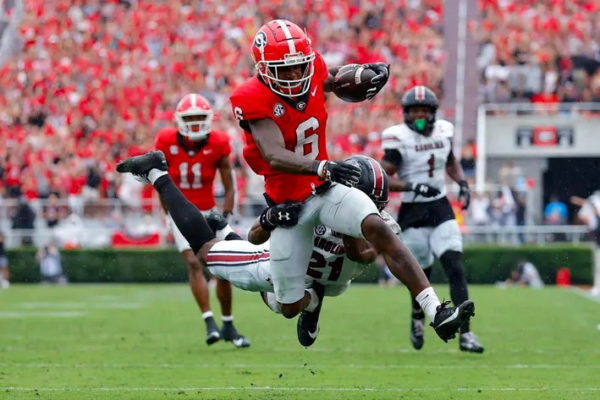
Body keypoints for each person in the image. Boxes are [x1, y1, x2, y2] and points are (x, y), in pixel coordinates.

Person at [228, 19, 473, 346]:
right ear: (263, 68)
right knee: (287, 307)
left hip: (323, 187)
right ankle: (311, 300)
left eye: (299, 67)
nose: (293, 76)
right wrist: (323, 166)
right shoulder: (250, 96)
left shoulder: (312, 66)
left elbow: (329, 79)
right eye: (283, 71)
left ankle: (436, 310)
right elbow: (274, 154)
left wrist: (362, 74)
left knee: (377, 225)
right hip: (289, 203)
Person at [117, 152, 474, 347]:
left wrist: (348, 227)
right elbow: (259, 237)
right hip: (278, 267)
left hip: (332, 278)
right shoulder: (313, 201)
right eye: (369, 202)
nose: (374, 209)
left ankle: (310, 297)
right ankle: (158, 175)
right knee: (207, 252)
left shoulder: (377, 224)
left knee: (314, 291)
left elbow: (369, 255)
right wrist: (272, 217)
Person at [380, 85, 484, 353]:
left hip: (439, 206)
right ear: (405, 113)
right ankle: (417, 317)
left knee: (455, 266)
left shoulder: (444, 131)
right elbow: (383, 176)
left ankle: (466, 334)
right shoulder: (397, 138)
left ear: (433, 113)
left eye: (424, 110)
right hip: (413, 211)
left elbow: (450, 161)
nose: (419, 115)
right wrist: (411, 186)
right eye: (414, 110)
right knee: (420, 273)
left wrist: (461, 182)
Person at [154, 93, 249, 348]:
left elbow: (230, 187)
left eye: (199, 117)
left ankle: (228, 324)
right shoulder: (165, 141)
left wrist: (225, 216)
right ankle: (210, 322)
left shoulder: (218, 143)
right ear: (179, 120)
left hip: (208, 211)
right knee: (194, 264)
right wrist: (168, 214)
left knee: (224, 269)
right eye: (190, 118)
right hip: (180, 213)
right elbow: (160, 183)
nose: (195, 123)